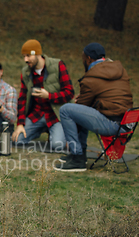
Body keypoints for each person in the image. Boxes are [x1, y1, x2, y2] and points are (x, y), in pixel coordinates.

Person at [54, 43, 133, 172]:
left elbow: (82, 105)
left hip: (112, 124)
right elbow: (110, 96)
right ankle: (80, 153)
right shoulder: (120, 71)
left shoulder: (91, 77)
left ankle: (78, 158)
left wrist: (71, 135)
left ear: (88, 58)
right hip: (127, 122)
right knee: (80, 112)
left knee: (66, 110)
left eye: (83, 58)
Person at [12, 39, 74, 151]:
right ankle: (39, 130)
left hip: (56, 115)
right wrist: (20, 124)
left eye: (28, 56)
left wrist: (49, 96)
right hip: (37, 114)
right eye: (24, 56)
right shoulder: (26, 72)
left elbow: (69, 92)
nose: (25, 60)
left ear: (37, 54)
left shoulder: (57, 65)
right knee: (17, 140)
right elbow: (22, 99)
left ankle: (59, 133)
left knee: (57, 146)